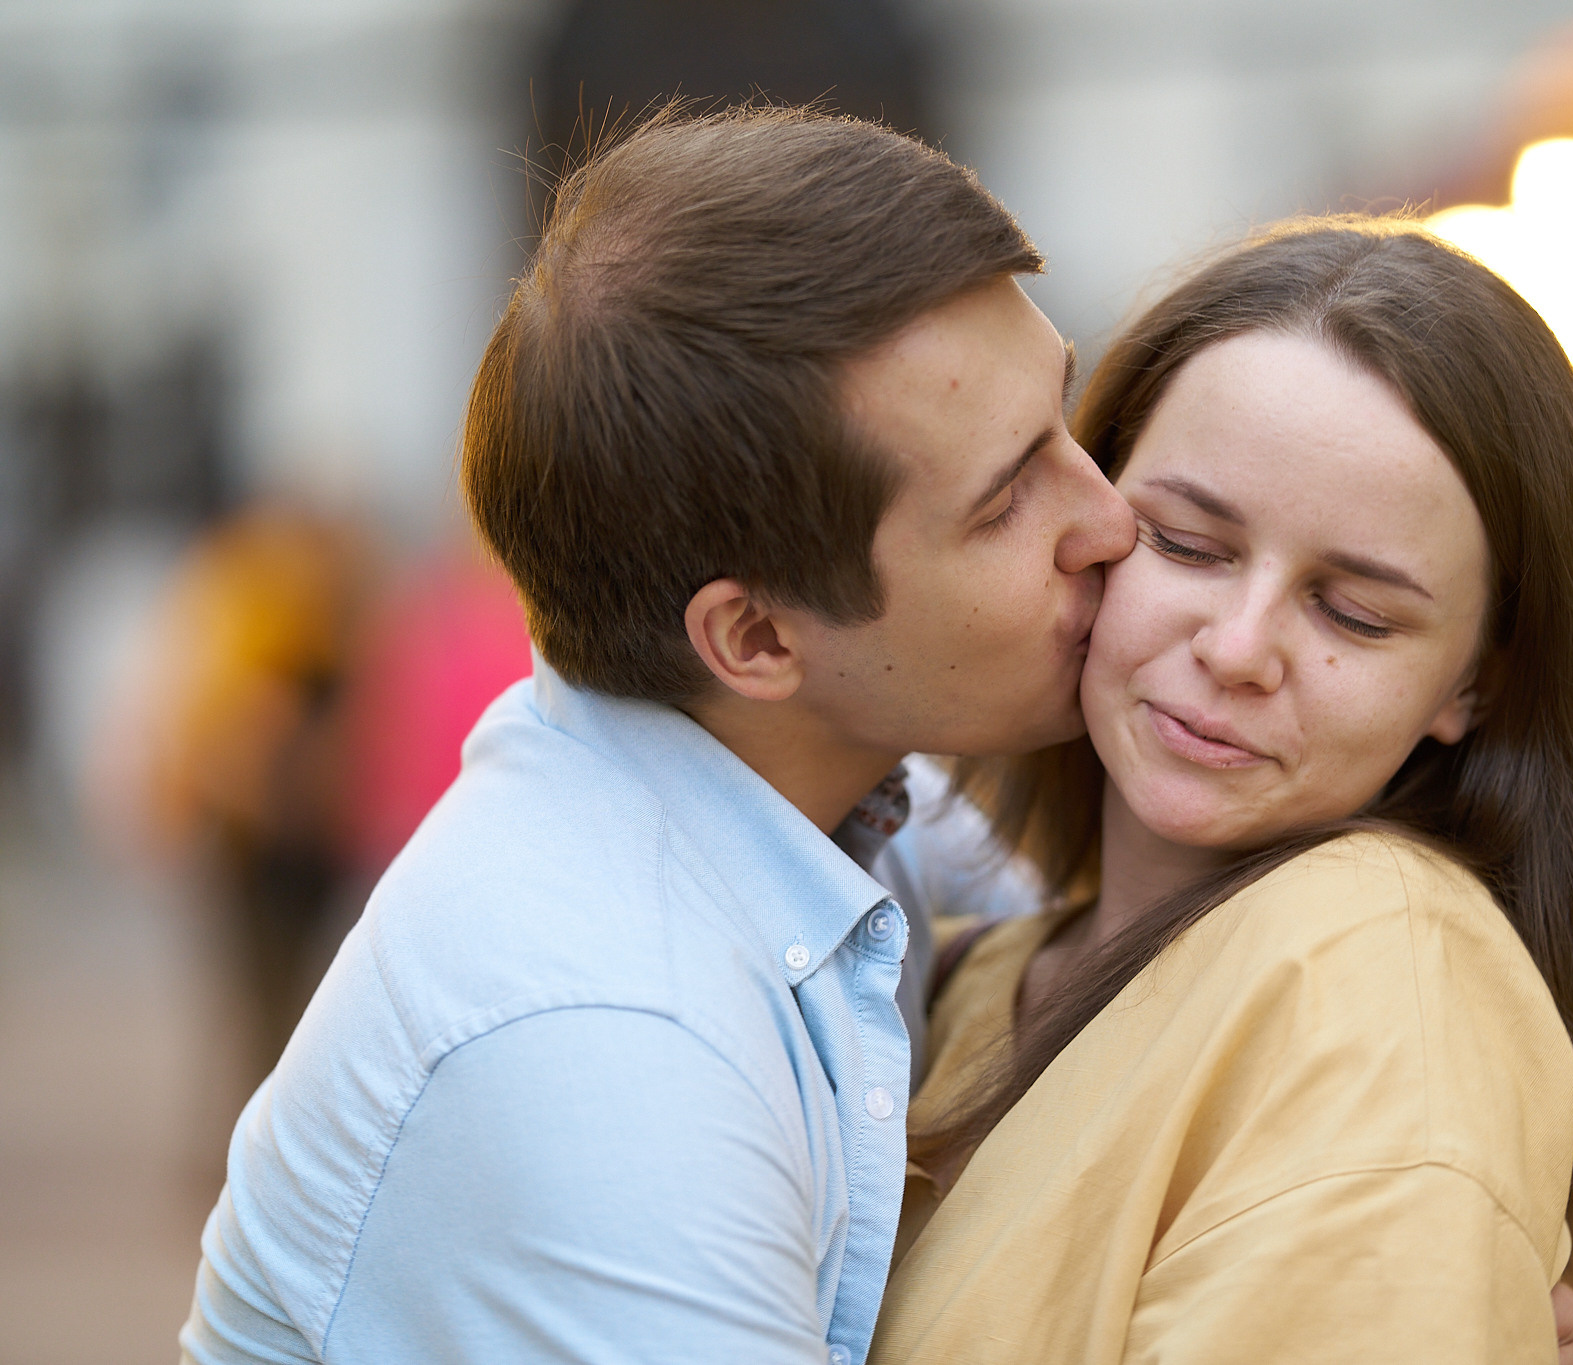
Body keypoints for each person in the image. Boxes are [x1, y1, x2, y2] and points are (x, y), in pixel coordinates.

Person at [178, 107, 1134, 1365]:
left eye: (1065, 414)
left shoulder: (811, 790)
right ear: (756, 639)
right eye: (1006, 502)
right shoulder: (609, 1046)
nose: (1111, 521)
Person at [873, 219, 1573, 1364]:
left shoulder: (1381, 974)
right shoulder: (956, 972)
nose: (1238, 647)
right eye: (1185, 543)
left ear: (1474, 684)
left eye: (1353, 613)